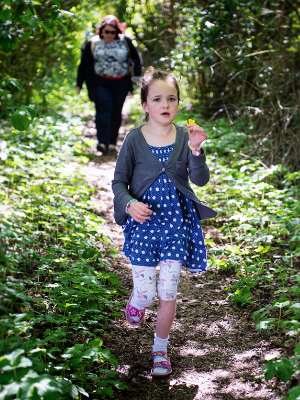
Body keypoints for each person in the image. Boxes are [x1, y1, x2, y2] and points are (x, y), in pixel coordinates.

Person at [112, 67, 217, 377]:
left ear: (178, 103)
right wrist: (129, 204)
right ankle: (138, 299)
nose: (165, 104)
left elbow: (200, 179)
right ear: (145, 105)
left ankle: (160, 351)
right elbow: (118, 182)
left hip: (175, 226)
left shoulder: (185, 137)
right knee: (147, 294)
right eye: (157, 99)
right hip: (143, 227)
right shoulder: (134, 139)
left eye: (171, 98)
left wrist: (197, 151)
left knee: (168, 291)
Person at [76, 15, 142, 153]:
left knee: (116, 111)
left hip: (121, 82)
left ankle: (112, 142)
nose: (109, 35)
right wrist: (79, 83)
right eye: (107, 32)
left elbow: (136, 59)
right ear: (101, 31)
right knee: (103, 110)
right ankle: (102, 142)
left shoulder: (125, 41)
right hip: (100, 81)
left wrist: (137, 78)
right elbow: (84, 65)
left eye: (113, 32)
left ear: (117, 32)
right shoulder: (92, 43)